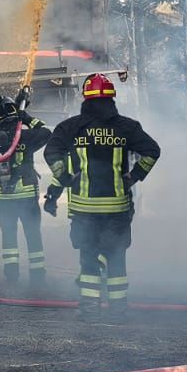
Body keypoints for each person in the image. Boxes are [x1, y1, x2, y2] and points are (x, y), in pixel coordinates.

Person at [42, 74, 160, 323]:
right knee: (116, 259)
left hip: (84, 210)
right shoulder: (127, 127)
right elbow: (152, 151)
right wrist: (134, 176)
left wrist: (64, 178)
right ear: (111, 98)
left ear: (85, 98)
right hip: (117, 209)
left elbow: (51, 152)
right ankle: (118, 311)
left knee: (88, 259)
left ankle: (89, 310)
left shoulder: (70, 127)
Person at [0, 91, 52, 287]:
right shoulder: (25, 136)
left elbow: (7, 133)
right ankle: (37, 275)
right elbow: (46, 133)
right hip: (25, 194)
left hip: (4, 196)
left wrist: (17, 111)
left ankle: (11, 274)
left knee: (9, 235)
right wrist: (27, 118)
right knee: (32, 234)